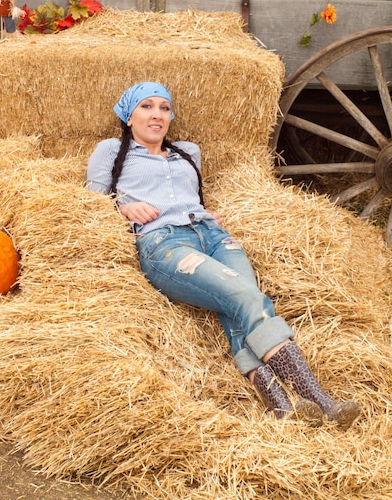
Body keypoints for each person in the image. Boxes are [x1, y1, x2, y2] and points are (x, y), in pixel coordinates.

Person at [87, 82, 361, 430]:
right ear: (129, 115)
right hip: (166, 245)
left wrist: (204, 212)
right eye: (146, 106)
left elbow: (191, 197)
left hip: (213, 236)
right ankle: (321, 400)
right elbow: (91, 202)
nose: (157, 115)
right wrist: (125, 206)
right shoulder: (111, 151)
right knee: (246, 297)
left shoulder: (187, 152)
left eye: (164, 108)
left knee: (239, 306)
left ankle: (281, 405)